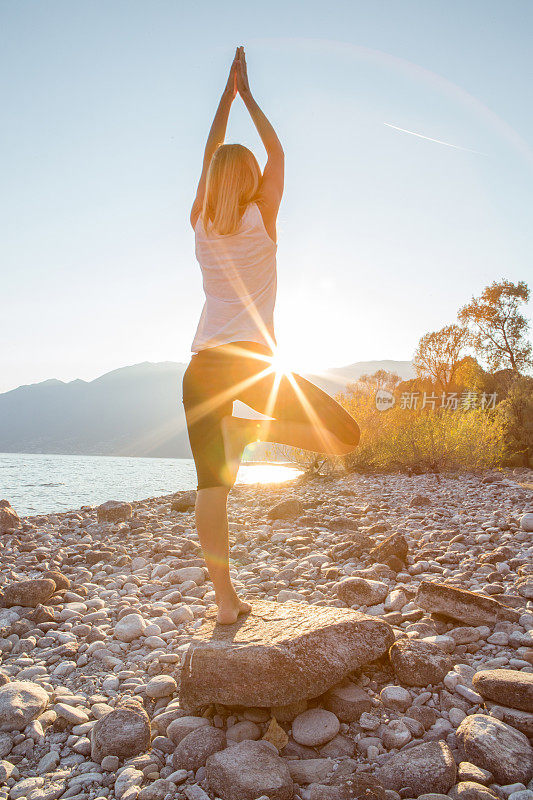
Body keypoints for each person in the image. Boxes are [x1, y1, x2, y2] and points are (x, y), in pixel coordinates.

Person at [182, 46, 360, 624]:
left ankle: (225, 603)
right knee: (344, 435)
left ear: (211, 182)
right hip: (255, 364)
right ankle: (247, 431)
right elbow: (278, 150)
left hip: (202, 367)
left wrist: (224, 97)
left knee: (213, 489)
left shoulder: (204, 220)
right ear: (252, 178)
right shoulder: (264, 218)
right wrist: (249, 96)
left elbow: (210, 152)